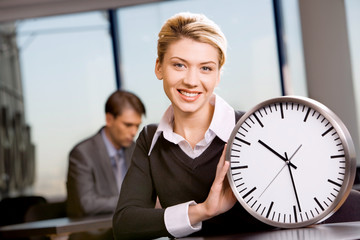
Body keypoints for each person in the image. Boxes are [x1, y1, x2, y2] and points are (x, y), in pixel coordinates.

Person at [112, 12, 269, 240]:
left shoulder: (253, 129)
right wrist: (203, 210)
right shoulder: (149, 139)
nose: (191, 81)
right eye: (179, 65)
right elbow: (125, 225)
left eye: (205, 68)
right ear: (159, 68)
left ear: (217, 76)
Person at [66, 89, 146, 219]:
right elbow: (87, 203)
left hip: (130, 228)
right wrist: (132, 202)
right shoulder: (82, 154)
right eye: (128, 125)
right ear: (109, 119)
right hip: (95, 233)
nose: (133, 132)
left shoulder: (135, 149)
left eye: (137, 126)